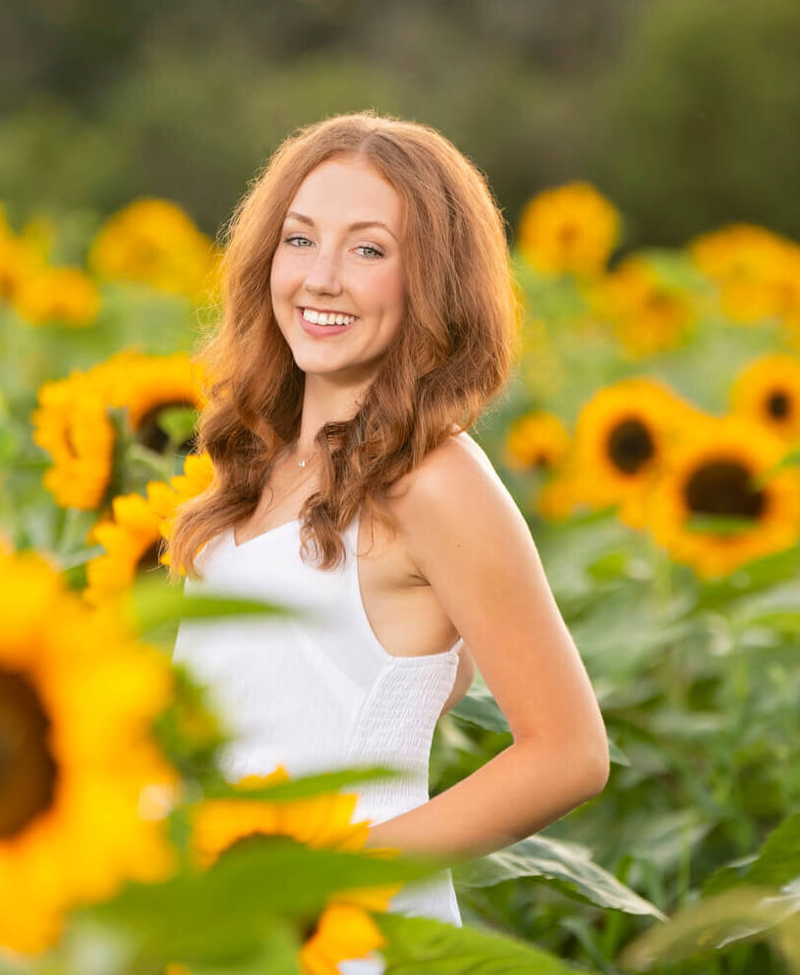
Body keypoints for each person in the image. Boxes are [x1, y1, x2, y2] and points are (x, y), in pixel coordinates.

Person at [166, 111, 609, 967]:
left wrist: (318, 877)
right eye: (300, 240)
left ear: (431, 283)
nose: (321, 278)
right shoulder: (258, 465)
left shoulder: (435, 480)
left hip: (345, 937)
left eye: (368, 250)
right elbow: (369, 684)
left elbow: (569, 753)